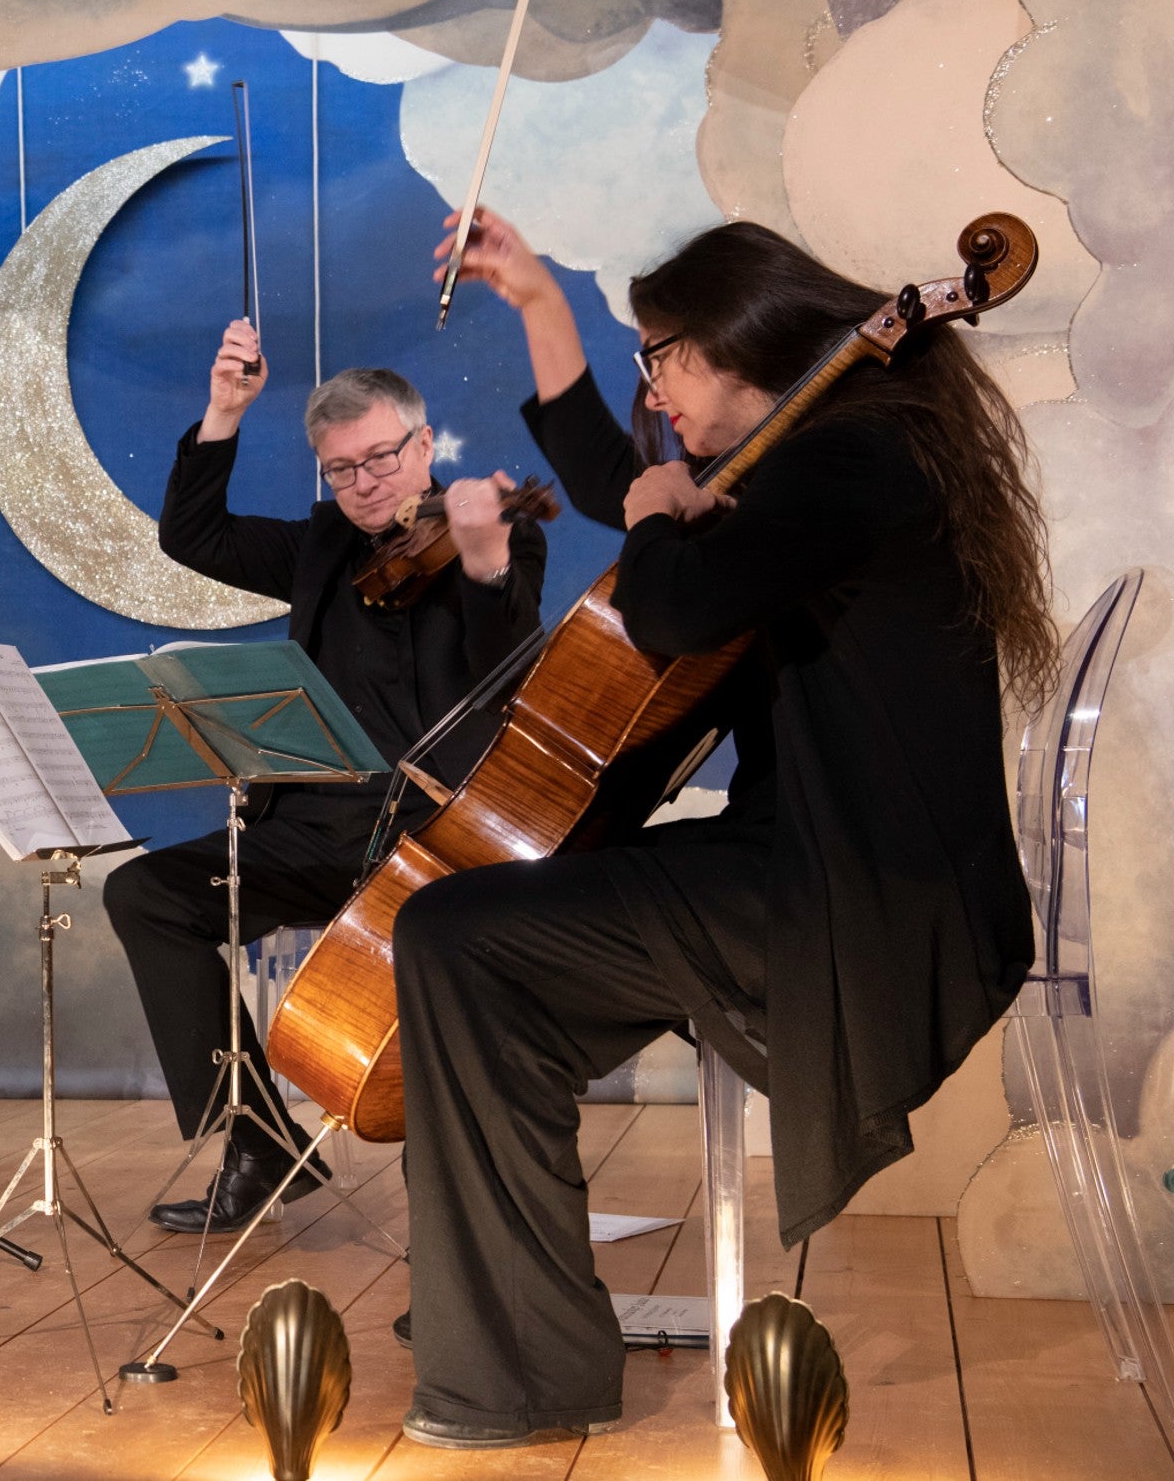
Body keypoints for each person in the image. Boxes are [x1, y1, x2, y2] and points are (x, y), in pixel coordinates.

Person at [385, 209, 1052, 1447]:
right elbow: (623, 489)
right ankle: (504, 1326)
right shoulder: (833, 455)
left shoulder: (851, 461)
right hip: (823, 869)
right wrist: (537, 306)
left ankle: (514, 1366)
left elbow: (671, 608)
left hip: (858, 904)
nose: (655, 390)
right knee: (482, 946)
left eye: (660, 359)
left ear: (734, 344)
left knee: (456, 938)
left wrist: (649, 520)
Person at [107, 321, 548, 1234]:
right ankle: (259, 1142)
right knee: (145, 891)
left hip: (426, 844)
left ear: (423, 446)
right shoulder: (318, 547)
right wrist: (226, 410)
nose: (363, 484)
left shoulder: (491, 534)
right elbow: (193, 540)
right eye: (340, 469)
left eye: (380, 458)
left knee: (442, 960)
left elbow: (509, 665)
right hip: (304, 836)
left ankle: (464, 1229)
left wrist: (481, 557)